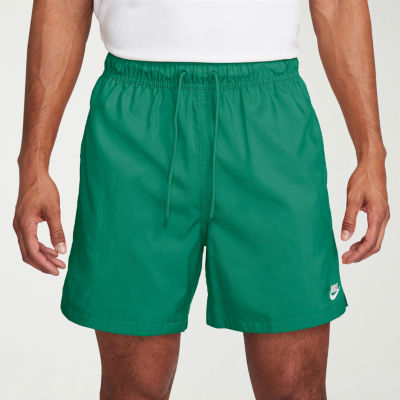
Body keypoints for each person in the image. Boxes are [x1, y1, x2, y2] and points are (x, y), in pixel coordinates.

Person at [14, 0, 389, 398]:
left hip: (269, 117)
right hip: (136, 120)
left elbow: (339, 6)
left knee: (296, 387)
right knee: (133, 389)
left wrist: (371, 152)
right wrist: (33, 162)